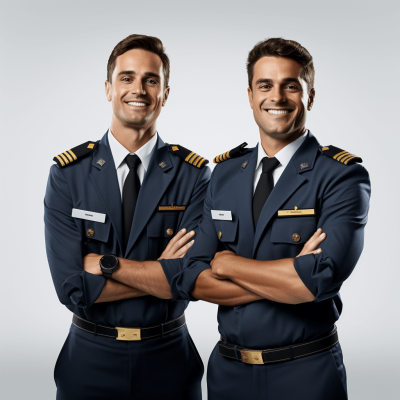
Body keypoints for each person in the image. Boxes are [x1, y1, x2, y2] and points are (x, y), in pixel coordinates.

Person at [171, 38, 371, 400]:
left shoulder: (341, 176)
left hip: (305, 373)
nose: (276, 97)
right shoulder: (225, 174)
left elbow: (318, 281)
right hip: (228, 373)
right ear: (250, 95)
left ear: (309, 97)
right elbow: (191, 279)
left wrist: (227, 263)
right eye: (265, 85)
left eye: (290, 86)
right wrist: (289, 274)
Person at [44, 34, 210, 400]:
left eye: (151, 80)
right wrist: (158, 271)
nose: (139, 89)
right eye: (127, 77)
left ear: (165, 94)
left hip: (169, 358)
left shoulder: (194, 174)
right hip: (89, 357)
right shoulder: (68, 173)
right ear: (108, 88)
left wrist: (104, 265)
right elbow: (71, 288)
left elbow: (187, 280)